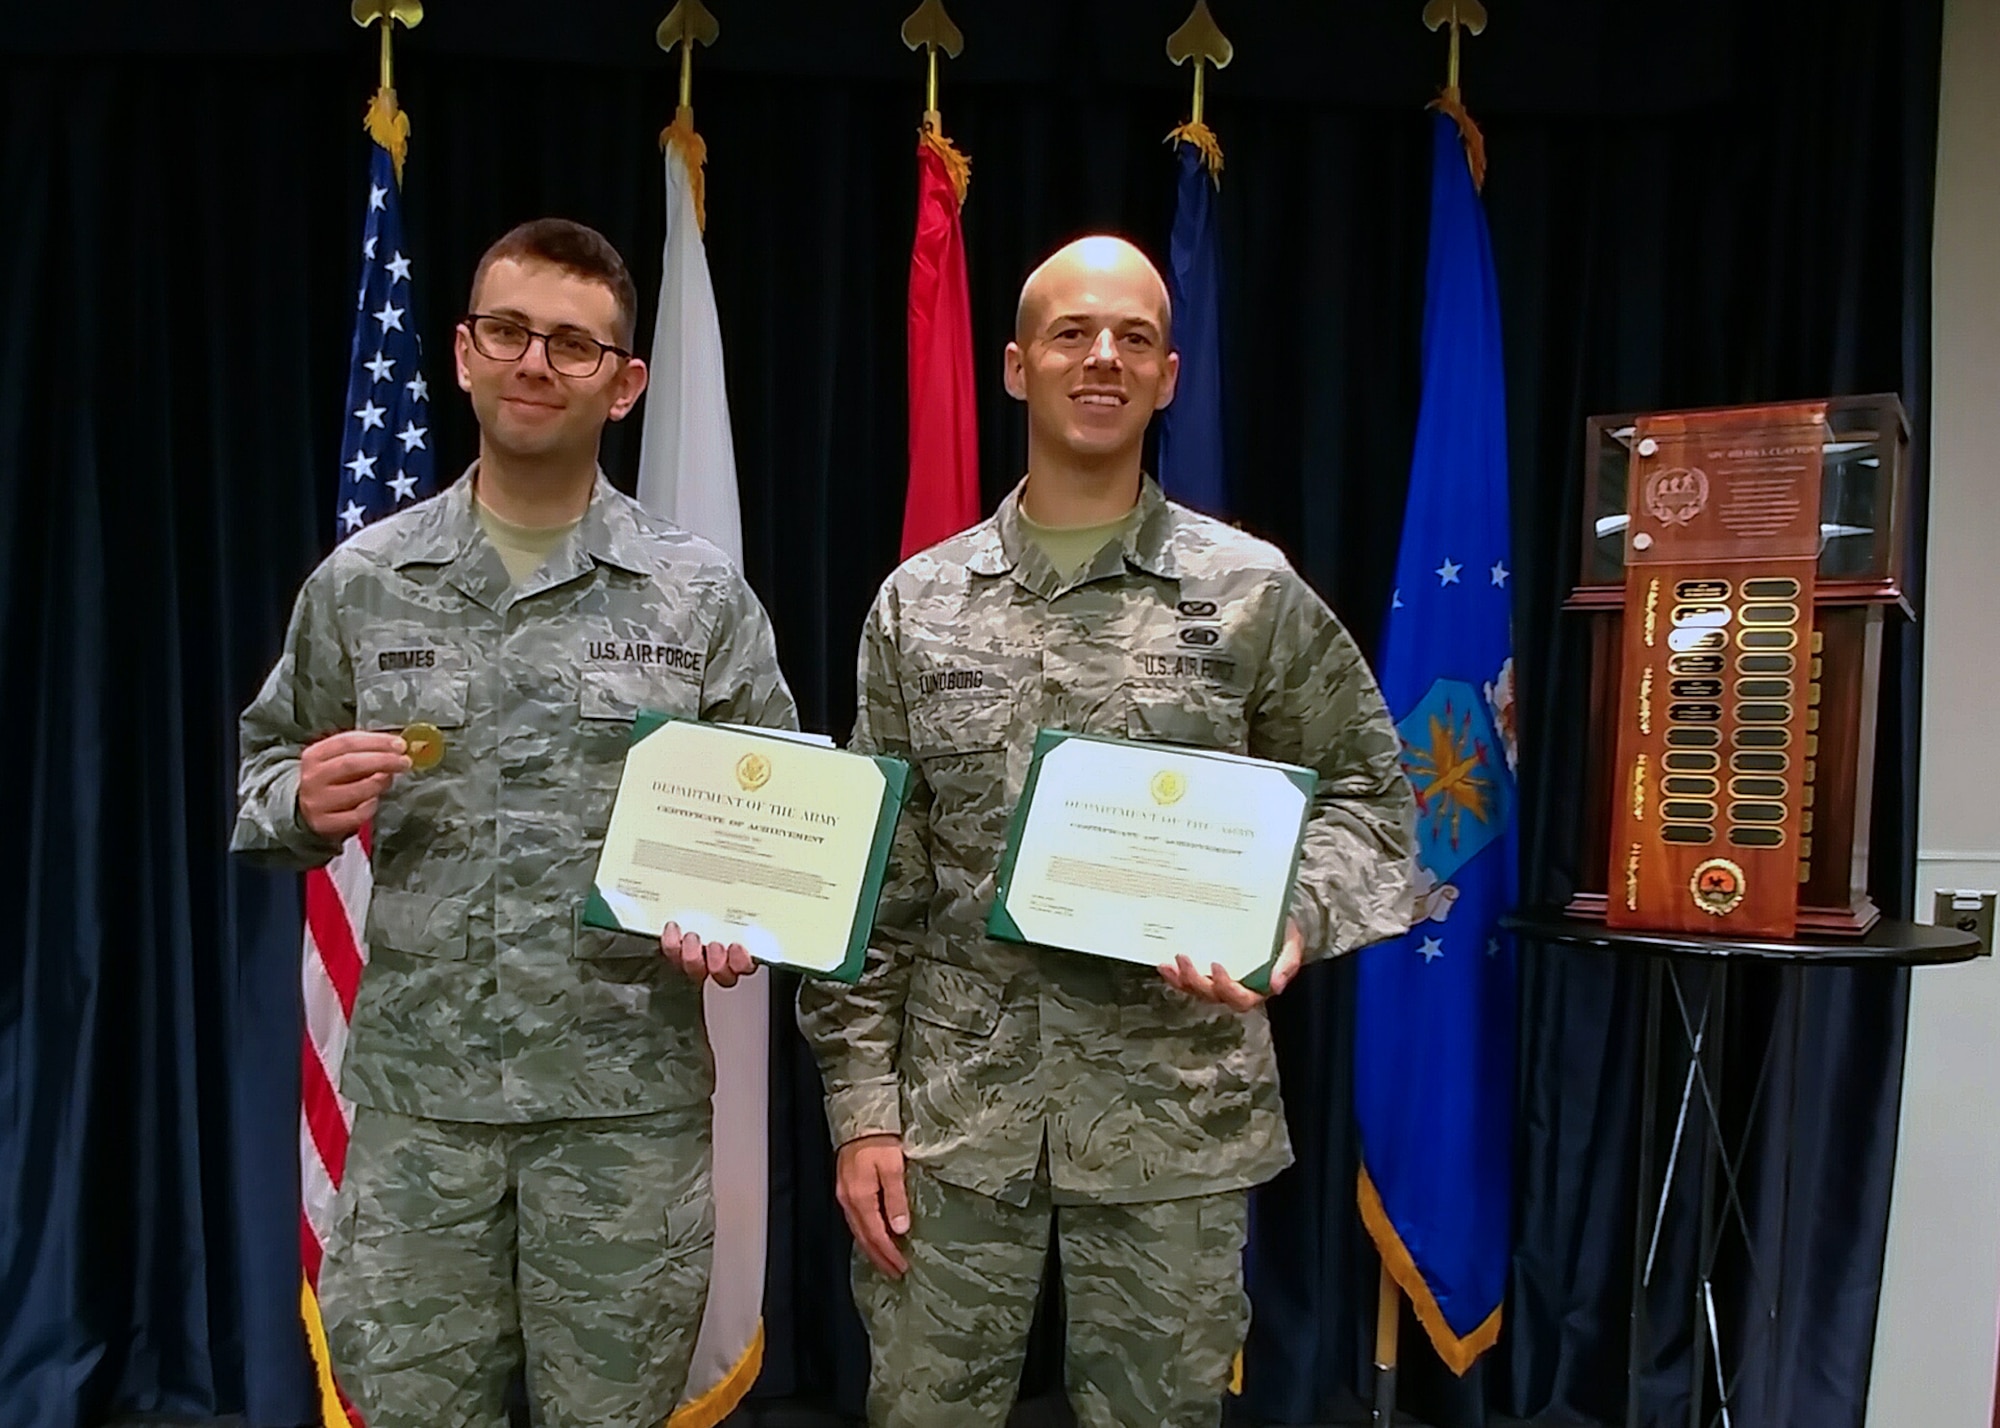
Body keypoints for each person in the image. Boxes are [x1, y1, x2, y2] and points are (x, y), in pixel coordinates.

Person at [796, 234, 1417, 1428]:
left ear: (1168, 375)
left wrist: (1285, 920)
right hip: (952, 1125)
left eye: (1133, 338)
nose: (1102, 359)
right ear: (1016, 365)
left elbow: (1374, 804)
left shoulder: (1248, 591)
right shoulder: (916, 604)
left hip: (1172, 1119)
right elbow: (869, 886)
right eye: (1072, 333)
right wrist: (862, 1113)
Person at [232, 218, 794, 1428]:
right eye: (508, 332)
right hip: (419, 1121)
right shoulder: (364, 580)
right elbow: (262, 775)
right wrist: (300, 804)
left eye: (572, 344)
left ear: (625, 382)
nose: (536, 363)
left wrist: (743, 914)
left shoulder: (697, 594)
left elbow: (782, 813)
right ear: (463, 352)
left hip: (622, 1119)